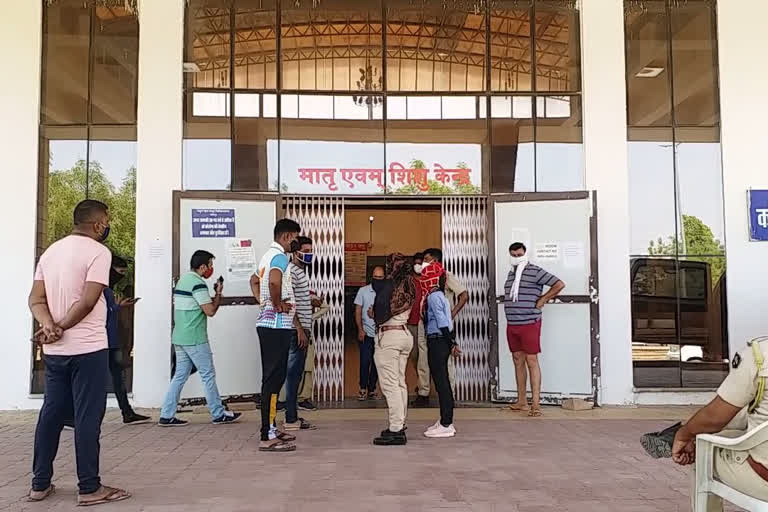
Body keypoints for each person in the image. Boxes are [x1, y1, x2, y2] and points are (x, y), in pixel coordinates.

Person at [27, 199, 131, 506]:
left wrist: (49, 326)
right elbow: (88, 302)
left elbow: (35, 299)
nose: (107, 226)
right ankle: (89, 487)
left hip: (55, 352)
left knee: (51, 413)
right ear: (99, 224)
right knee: (87, 416)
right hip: (88, 349)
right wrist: (59, 325)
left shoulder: (51, 251)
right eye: (107, 221)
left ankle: (39, 484)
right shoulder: (99, 252)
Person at [640, 339, 768, 511]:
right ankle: (685, 432)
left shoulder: (760, 354)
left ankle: (681, 435)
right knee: (746, 409)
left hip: (762, 481)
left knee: (703, 449)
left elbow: (714, 418)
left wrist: (685, 435)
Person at [158, 250, 242, 427]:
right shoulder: (198, 284)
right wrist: (218, 293)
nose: (211, 269)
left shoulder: (184, 280)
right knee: (208, 375)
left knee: (179, 376)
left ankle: (166, 415)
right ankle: (218, 414)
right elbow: (210, 311)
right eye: (210, 265)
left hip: (180, 336)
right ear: (202, 266)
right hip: (195, 338)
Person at [256, 218, 301, 452]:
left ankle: (272, 428)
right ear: (286, 237)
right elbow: (273, 280)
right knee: (272, 381)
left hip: (271, 326)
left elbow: (255, 280)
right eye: (295, 238)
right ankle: (267, 435)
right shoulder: (280, 257)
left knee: (274, 380)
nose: (296, 242)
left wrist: (262, 301)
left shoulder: (266, 256)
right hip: (276, 326)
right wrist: (275, 303)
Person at [503, 242, 564, 417]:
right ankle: (521, 401)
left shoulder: (535, 271)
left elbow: (559, 284)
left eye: (519, 255)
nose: (516, 258)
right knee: (517, 359)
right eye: (513, 255)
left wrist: (543, 299)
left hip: (529, 322)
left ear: (525, 254)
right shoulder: (511, 274)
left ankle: (535, 403)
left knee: (531, 360)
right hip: (512, 323)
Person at [411, 248, 468, 408]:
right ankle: (423, 393)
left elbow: (464, 294)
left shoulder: (445, 276)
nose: (423, 263)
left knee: (446, 359)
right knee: (423, 359)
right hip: (425, 323)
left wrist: (451, 314)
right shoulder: (424, 278)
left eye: (426, 260)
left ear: (435, 261)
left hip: (441, 326)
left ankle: (450, 395)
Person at [372, 254, 416, 446]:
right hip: (404, 334)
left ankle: (396, 429)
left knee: (390, 385)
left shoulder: (390, 285)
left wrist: (373, 314)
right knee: (399, 383)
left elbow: (381, 313)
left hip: (389, 336)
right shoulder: (410, 284)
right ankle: (400, 423)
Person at [104, 255, 149, 425]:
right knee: (100, 379)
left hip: (111, 339)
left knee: (117, 377)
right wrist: (118, 307)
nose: (121, 276)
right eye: (120, 272)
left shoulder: (107, 290)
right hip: (102, 341)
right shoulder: (101, 290)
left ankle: (127, 411)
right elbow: (101, 313)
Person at [283, 236, 318, 431]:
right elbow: (290, 303)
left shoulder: (300, 273)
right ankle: (290, 418)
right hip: (296, 330)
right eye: (306, 251)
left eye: (311, 251)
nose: (309, 254)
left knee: (295, 375)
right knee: (293, 375)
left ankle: (293, 415)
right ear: (296, 252)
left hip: (302, 328)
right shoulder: (292, 272)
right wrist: (299, 330)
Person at [420, 261, 458, 438]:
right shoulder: (439, 295)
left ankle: (446, 423)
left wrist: (450, 342)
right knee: (442, 380)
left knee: (441, 382)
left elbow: (443, 322)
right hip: (441, 339)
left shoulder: (434, 296)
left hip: (438, 340)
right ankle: (444, 419)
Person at [295, 292, 330, 411]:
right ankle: (299, 399)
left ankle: (300, 399)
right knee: (303, 369)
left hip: (304, 337)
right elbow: (325, 307)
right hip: (297, 336)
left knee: (307, 369)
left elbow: (325, 307)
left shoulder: (307, 296)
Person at [355, 266, 384, 400]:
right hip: (366, 333)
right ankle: (362, 388)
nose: (378, 280)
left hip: (381, 334)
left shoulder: (386, 292)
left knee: (377, 362)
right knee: (365, 361)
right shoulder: (363, 291)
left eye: (380, 278)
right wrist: (360, 329)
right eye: (375, 277)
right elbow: (358, 311)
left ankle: (372, 388)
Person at [407, 253, 425, 398]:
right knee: (414, 356)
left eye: (421, 262)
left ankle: (422, 386)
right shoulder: (409, 281)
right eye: (416, 263)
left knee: (425, 357)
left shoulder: (428, 279)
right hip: (411, 323)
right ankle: (422, 382)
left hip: (425, 324)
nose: (418, 265)